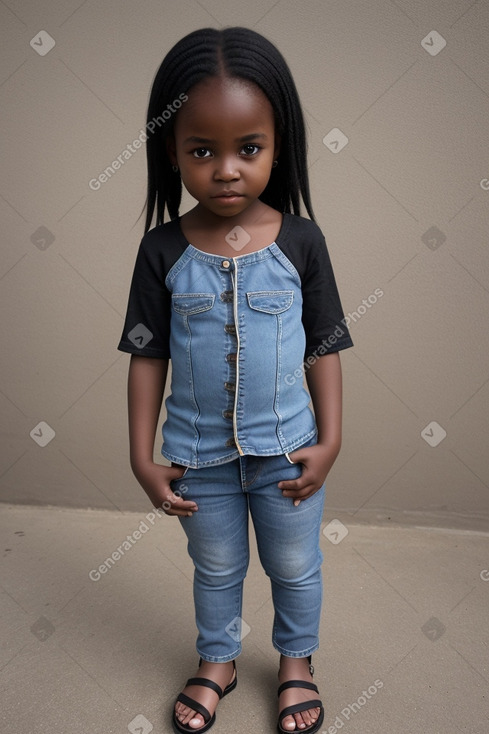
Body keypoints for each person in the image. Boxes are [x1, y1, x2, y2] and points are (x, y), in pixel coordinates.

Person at [118, 26, 353, 734]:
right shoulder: (161, 249)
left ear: (279, 145)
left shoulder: (301, 241)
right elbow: (147, 355)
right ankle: (216, 659)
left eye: (247, 148)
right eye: (202, 150)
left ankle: (295, 661)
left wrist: (331, 440)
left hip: (286, 453)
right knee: (215, 567)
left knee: (294, 566)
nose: (226, 169)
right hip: (199, 459)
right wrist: (141, 455)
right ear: (171, 150)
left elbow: (325, 346)